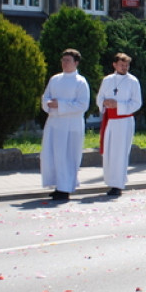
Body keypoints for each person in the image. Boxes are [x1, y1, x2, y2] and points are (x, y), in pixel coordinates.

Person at [40, 49, 91, 201]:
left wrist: (60, 105)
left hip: (71, 125)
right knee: (52, 155)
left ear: (76, 63)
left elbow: (82, 105)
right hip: (54, 123)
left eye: (68, 60)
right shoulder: (55, 79)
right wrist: (48, 104)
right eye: (63, 60)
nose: (64, 63)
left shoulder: (80, 82)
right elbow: (45, 97)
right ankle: (58, 185)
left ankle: (66, 188)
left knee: (67, 156)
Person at [96, 52, 142, 197]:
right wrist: (104, 103)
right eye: (122, 65)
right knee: (109, 153)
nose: (124, 67)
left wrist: (118, 105)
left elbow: (137, 103)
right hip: (110, 121)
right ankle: (111, 181)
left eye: (127, 65)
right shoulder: (108, 80)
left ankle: (118, 184)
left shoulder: (132, 81)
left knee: (120, 153)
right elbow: (100, 97)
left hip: (124, 121)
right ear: (115, 65)